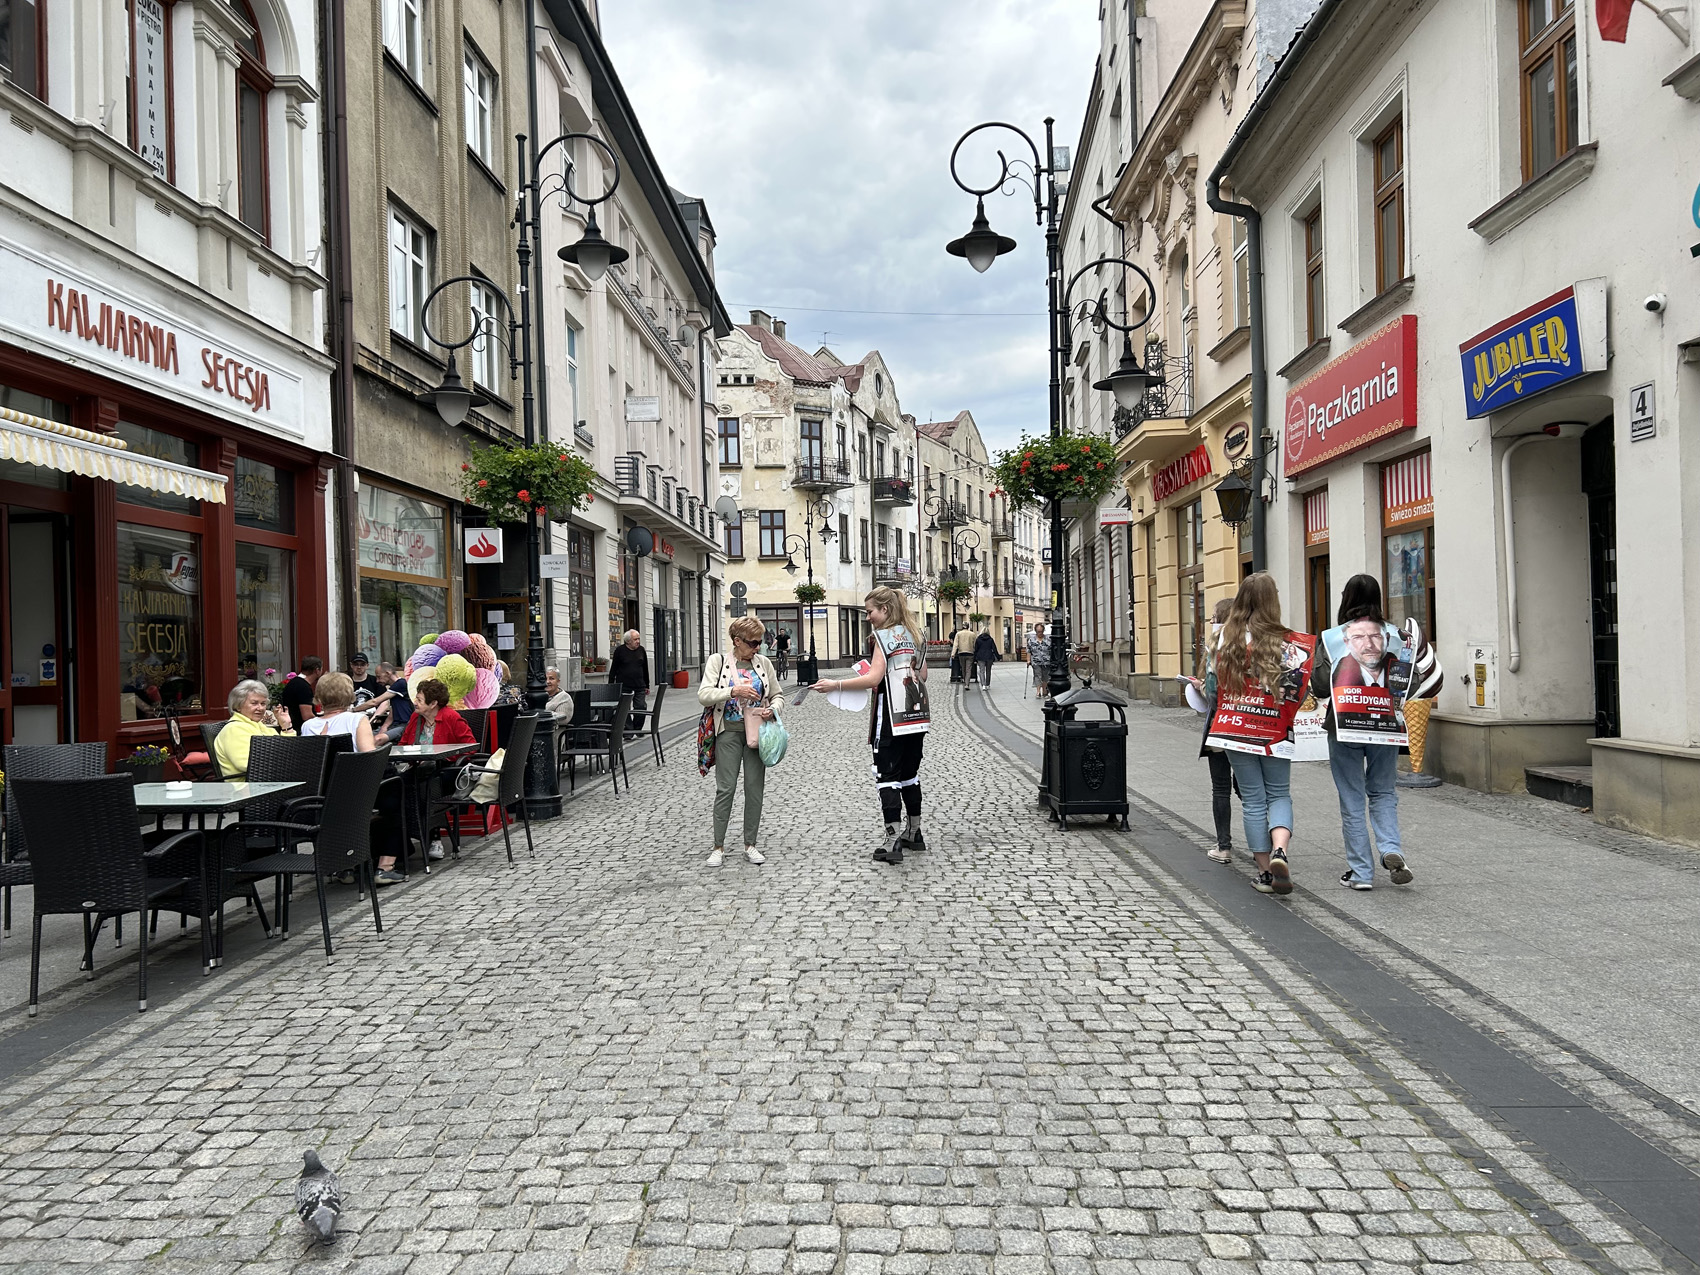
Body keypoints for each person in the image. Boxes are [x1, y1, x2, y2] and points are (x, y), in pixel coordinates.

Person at [1312, 574, 1440, 891]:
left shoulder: (1331, 638)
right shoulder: (1398, 637)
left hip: (1344, 725)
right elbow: (1411, 684)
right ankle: (1391, 848)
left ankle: (1361, 873)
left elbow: (1317, 684)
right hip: (1386, 726)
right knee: (1383, 793)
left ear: (1346, 599)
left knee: (1352, 798)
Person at [812, 586, 931, 865]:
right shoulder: (916, 634)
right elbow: (923, 674)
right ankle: (914, 833)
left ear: (885, 610)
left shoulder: (883, 637)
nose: (868, 617)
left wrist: (835, 684)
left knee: (887, 777)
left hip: (890, 716)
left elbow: (875, 678)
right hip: (915, 716)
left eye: (870, 612)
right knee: (910, 775)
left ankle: (892, 841)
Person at [1207, 573, 1300, 896]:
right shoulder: (1289, 644)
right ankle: (1280, 850)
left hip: (1235, 729)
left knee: (1253, 800)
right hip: (1275, 729)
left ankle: (1265, 873)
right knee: (1279, 793)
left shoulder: (1222, 640)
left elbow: (1211, 691)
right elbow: (1299, 692)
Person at [698, 616, 782, 867]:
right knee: (726, 788)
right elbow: (704, 695)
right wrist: (733, 691)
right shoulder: (719, 661)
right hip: (729, 732)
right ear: (737, 641)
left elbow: (777, 695)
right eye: (754, 642)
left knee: (754, 788)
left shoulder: (763, 663)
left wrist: (773, 710)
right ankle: (718, 846)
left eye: (760, 642)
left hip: (757, 732)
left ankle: (750, 844)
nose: (758, 647)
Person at [1182, 600, 1237, 864]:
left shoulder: (1218, 646)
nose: (1211, 620)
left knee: (1221, 787)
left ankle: (1223, 847)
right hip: (1251, 727)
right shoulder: (1255, 642)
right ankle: (1269, 846)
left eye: (1214, 616)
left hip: (1221, 727)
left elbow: (1215, 695)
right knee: (1253, 791)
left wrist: (1200, 686)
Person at [214, 679, 296, 780]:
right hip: (247, 790)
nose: (260, 708)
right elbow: (246, 764)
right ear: (238, 706)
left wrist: (286, 726)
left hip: (271, 783)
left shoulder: (260, 726)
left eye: (263, 703)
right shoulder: (234, 729)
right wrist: (284, 759)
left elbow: (288, 750)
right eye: (254, 703)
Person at [299, 673, 379, 752]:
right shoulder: (357, 720)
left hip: (317, 765)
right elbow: (369, 756)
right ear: (350, 695)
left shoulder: (307, 726)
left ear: (319, 698)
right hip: (349, 764)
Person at [608, 629, 651, 713]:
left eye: (638, 639)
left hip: (639, 685)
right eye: (635, 639)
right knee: (623, 710)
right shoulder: (620, 651)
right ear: (628, 641)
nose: (638, 641)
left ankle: (637, 726)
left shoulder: (641, 650)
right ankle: (629, 726)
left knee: (641, 707)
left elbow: (645, 668)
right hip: (624, 686)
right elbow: (613, 669)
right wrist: (611, 685)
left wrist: (647, 685)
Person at [369, 662, 411, 742]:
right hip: (394, 725)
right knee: (367, 737)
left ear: (388, 673)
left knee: (377, 740)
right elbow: (392, 711)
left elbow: (375, 702)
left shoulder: (401, 684)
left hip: (404, 725)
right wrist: (384, 726)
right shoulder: (394, 689)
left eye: (379, 677)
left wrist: (353, 710)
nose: (377, 681)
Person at [278, 656, 323, 728]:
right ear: (317, 670)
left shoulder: (293, 682)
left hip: (290, 728)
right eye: (321, 669)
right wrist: (323, 721)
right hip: (300, 732)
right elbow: (307, 716)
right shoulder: (303, 687)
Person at [1026, 623, 1051, 698]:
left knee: (1045, 676)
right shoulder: (1031, 640)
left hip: (1046, 661)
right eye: (1038, 631)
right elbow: (1028, 650)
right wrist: (1028, 660)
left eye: (1041, 631)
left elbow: (1051, 649)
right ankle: (1038, 692)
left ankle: (1044, 691)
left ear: (1043, 631)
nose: (1039, 633)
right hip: (1036, 661)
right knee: (1037, 676)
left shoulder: (1048, 639)